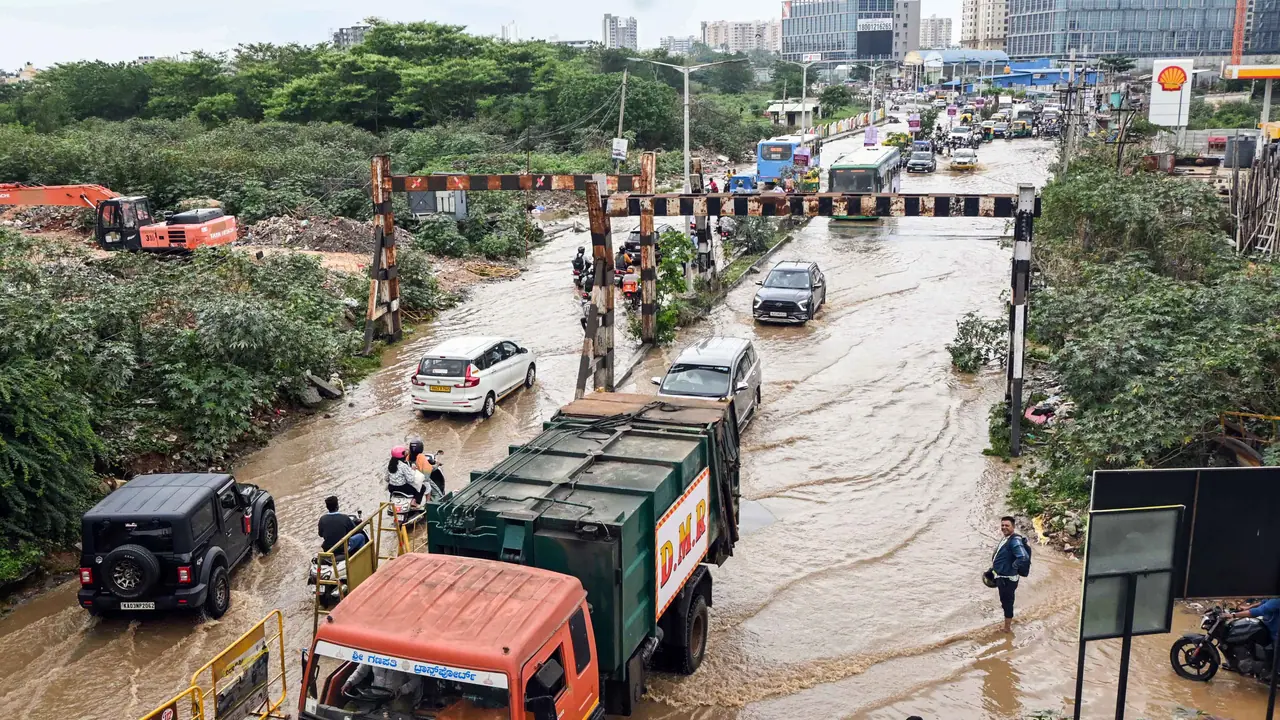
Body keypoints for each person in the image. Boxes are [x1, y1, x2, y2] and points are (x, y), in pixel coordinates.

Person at [989, 516, 1030, 633]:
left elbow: (1023, 557)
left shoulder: (1015, 541)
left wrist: (1012, 567)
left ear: (1013, 526)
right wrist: (994, 569)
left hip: (1008, 579)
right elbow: (1003, 556)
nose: (1004, 527)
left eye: (1007, 525)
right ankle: (1008, 621)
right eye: (1002, 525)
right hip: (1002, 576)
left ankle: (1007, 628)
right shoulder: (1007, 538)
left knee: (1007, 602)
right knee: (1005, 601)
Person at [343, 663, 423, 713]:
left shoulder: (405, 662)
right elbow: (360, 672)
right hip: (374, 694)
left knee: (400, 713)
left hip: (396, 697)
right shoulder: (373, 656)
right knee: (349, 707)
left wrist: (402, 690)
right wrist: (349, 682)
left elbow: (416, 679)